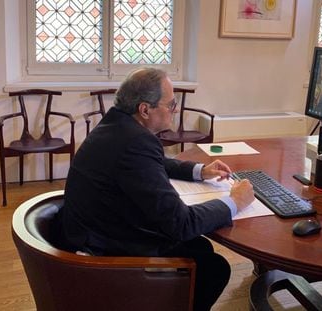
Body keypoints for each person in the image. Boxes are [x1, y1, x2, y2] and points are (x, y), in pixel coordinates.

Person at [56, 68, 255, 311]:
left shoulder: (116, 125)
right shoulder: (135, 141)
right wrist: (235, 201)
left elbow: (152, 162)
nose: (175, 110)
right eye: (171, 104)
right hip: (107, 254)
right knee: (214, 268)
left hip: (93, 232)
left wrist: (199, 170)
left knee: (201, 247)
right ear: (145, 109)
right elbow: (181, 224)